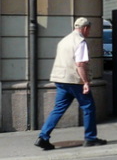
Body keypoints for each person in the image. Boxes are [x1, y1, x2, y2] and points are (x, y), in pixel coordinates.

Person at [35, 17, 106, 150]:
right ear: (85, 28)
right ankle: (90, 138)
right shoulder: (80, 42)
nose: (89, 32)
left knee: (58, 109)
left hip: (60, 79)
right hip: (75, 80)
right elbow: (80, 64)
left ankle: (43, 137)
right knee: (88, 107)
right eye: (89, 29)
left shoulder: (64, 40)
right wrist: (85, 82)